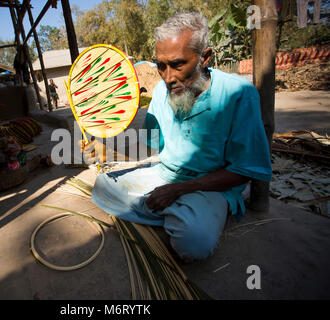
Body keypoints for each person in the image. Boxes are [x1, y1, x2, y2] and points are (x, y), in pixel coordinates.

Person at [83, 11, 272, 262]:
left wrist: (181, 189)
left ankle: (189, 216)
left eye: (178, 64)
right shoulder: (162, 92)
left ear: (204, 57)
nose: (168, 77)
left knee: (194, 243)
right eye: (161, 66)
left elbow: (246, 170)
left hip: (211, 187)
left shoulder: (239, 94)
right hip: (165, 174)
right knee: (103, 185)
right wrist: (108, 135)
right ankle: (181, 215)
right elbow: (149, 148)